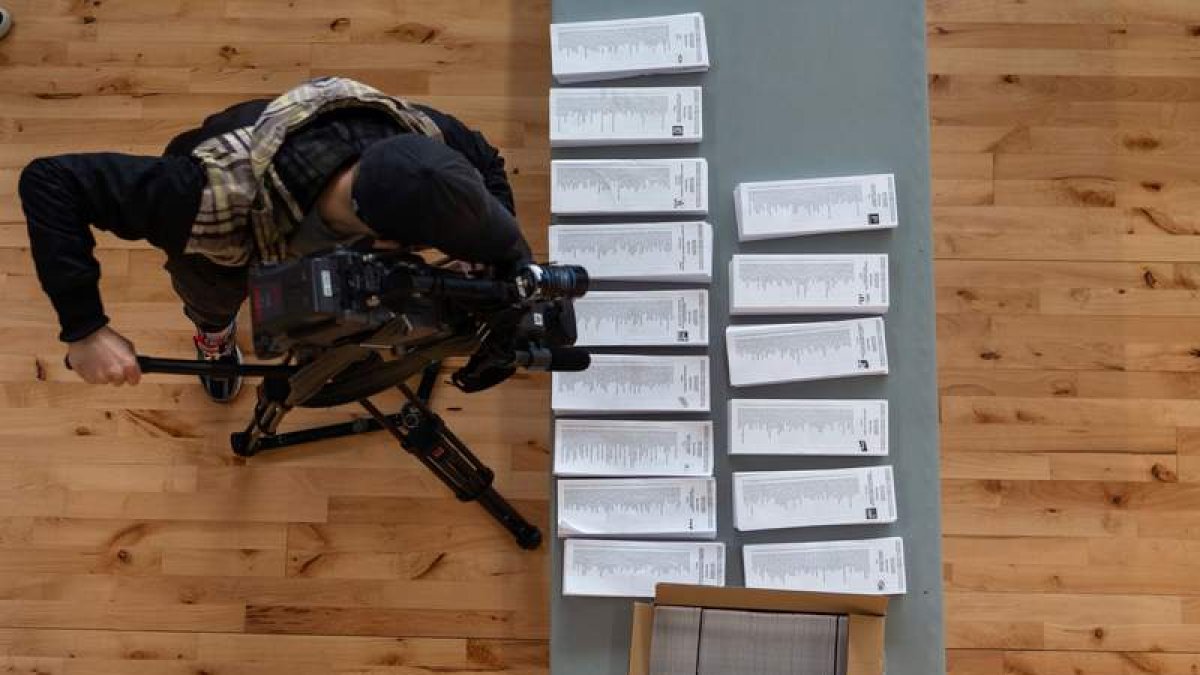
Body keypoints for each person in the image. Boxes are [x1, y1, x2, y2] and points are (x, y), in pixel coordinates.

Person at [18, 77, 532, 402]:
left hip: (314, 204)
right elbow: (50, 181)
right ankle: (214, 341)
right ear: (385, 235)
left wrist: (505, 275)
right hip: (229, 245)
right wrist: (84, 328)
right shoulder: (200, 198)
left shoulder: (430, 143)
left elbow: (486, 162)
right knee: (210, 299)